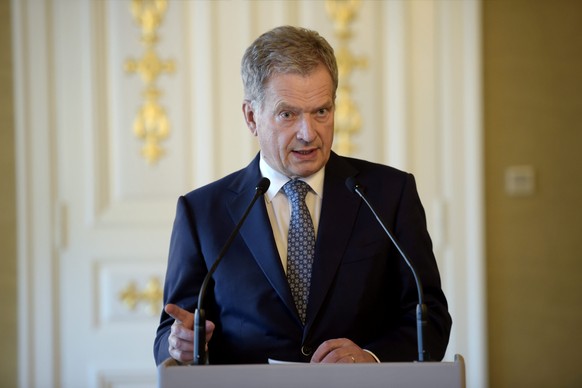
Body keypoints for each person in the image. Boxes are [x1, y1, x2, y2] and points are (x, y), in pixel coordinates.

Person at [154, 25, 451, 365]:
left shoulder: (388, 194)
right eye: (288, 114)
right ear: (252, 117)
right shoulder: (202, 212)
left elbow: (431, 317)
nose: (309, 133)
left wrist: (372, 358)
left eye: (321, 112)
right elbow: (169, 334)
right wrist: (181, 345)